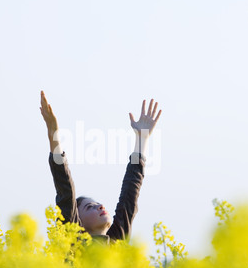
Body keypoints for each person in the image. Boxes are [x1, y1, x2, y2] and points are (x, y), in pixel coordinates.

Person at [40, 91, 162, 244]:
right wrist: (53, 135)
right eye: (90, 207)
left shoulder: (116, 244)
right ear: (78, 223)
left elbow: (130, 193)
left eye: (97, 204)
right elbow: (65, 190)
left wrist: (142, 139)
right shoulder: (73, 246)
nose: (100, 206)